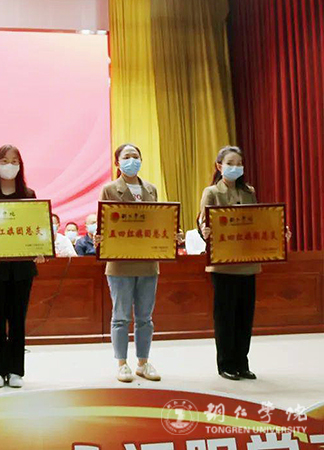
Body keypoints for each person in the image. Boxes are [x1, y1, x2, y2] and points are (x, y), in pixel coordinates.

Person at [198, 146, 290, 381]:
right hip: (223, 264)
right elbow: (202, 222)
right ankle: (226, 364)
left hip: (248, 263)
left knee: (245, 316)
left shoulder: (249, 191)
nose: (235, 167)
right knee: (225, 316)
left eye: (239, 163)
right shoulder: (212, 192)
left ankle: (242, 362)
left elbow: (257, 220)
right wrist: (204, 230)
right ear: (219, 166)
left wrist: (278, 231)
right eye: (230, 163)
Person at [96, 143, 182, 383]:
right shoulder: (109, 189)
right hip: (120, 264)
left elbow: (158, 221)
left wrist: (171, 233)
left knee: (145, 317)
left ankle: (143, 363)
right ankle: (122, 364)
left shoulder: (151, 189)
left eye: (136, 156)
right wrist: (100, 237)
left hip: (148, 263)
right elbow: (104, 223)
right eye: (126, 157)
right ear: (117, 163)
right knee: (121, 317)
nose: (132, 160)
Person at [0, 145, 45, 389]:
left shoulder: (28, 194)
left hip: (22, 269)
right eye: (5, 161)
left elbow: (37, 228)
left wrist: (40, 249)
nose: (10, 165)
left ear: (20, 165)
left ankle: (16, 370)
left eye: (14, 161)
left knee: (17, 320)